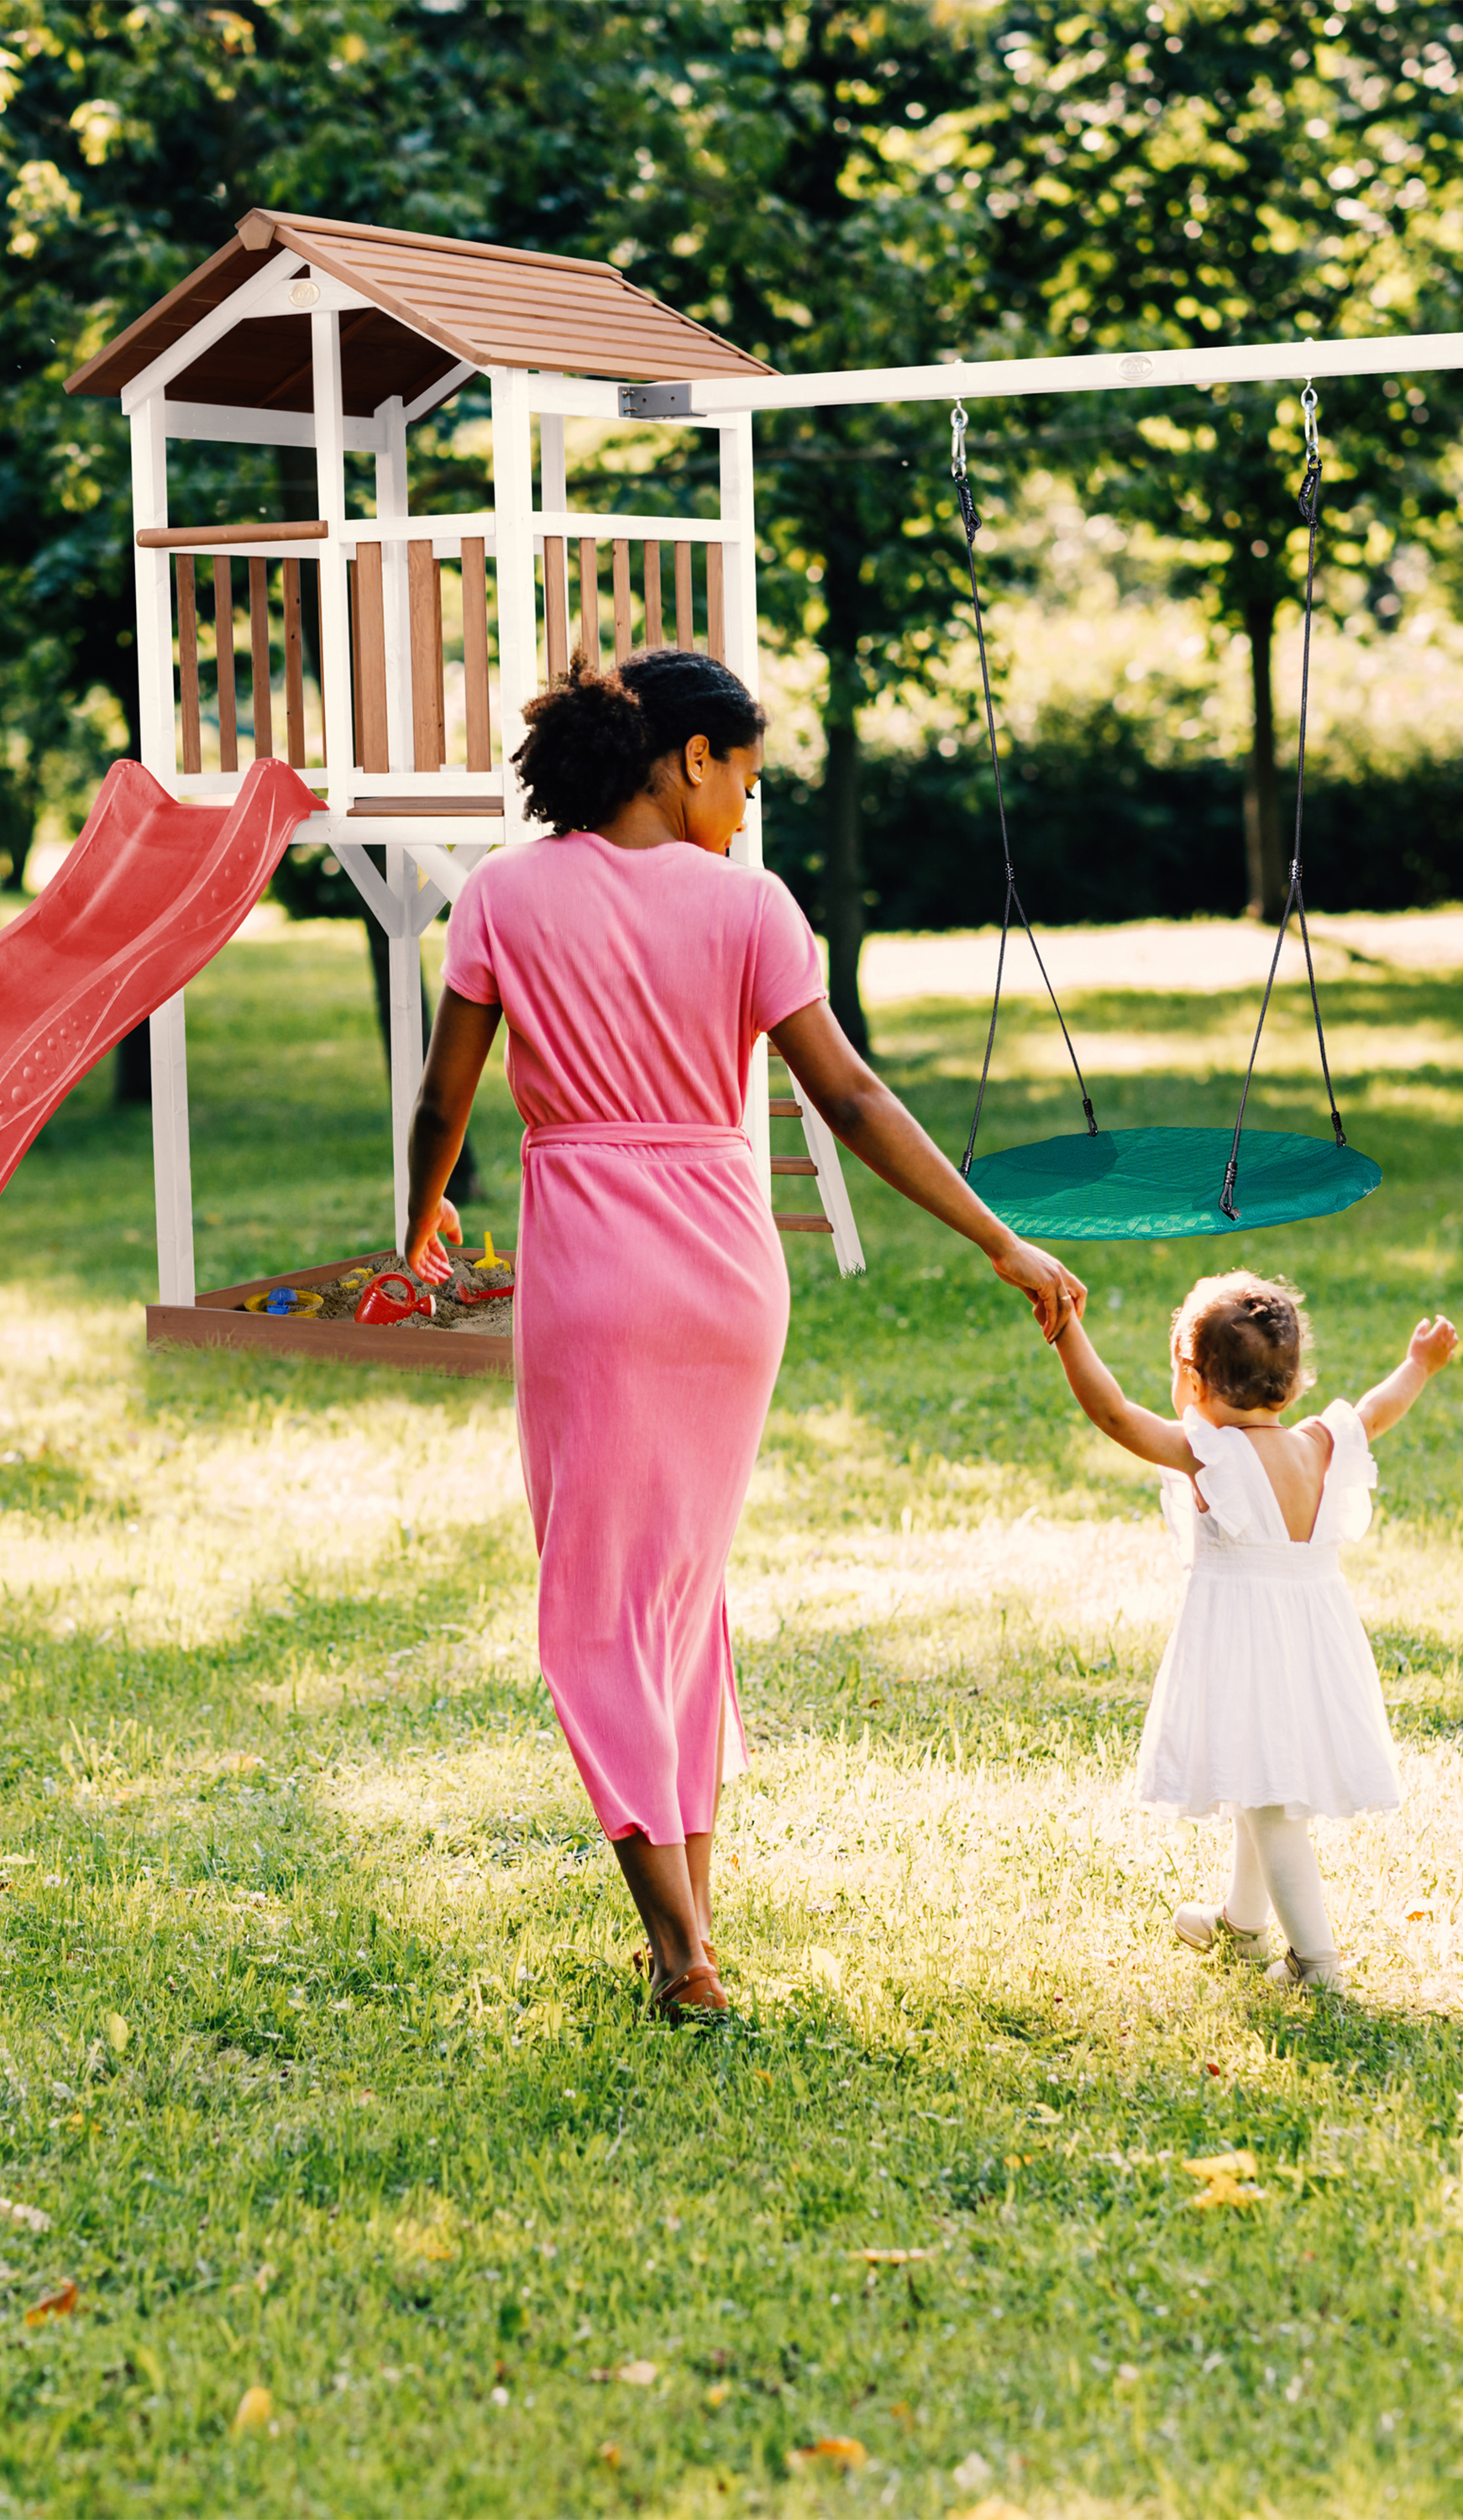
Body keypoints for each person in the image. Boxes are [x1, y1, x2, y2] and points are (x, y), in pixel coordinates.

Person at [402, 650, 1086, 2022]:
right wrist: (996, 1235)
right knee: (678, 1598)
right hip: (726, 1277)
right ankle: (692, 1928)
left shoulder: (503, 895)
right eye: (746, 781)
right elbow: (850, 1098)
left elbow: (445, 1100)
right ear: (688, 757)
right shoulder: (752, 908)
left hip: (593, 1276)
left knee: (599, 1610)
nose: (746, 812)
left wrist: (415, 1226)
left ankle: (678, 1953)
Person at [1046, 1272, 1460, 1992]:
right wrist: (1418, 1365)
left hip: (1247, 1647)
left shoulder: (1211, 1455)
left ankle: (1315, 1963)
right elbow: (1377, 1408)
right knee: (1255, 1778)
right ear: (1293, 1384)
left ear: (1193, 1380)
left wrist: (1066, 1330)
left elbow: (1113, 1414)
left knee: (1270, 1805)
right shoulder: (1321, 1443)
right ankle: (1241, 1924)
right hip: (1313, 1644)